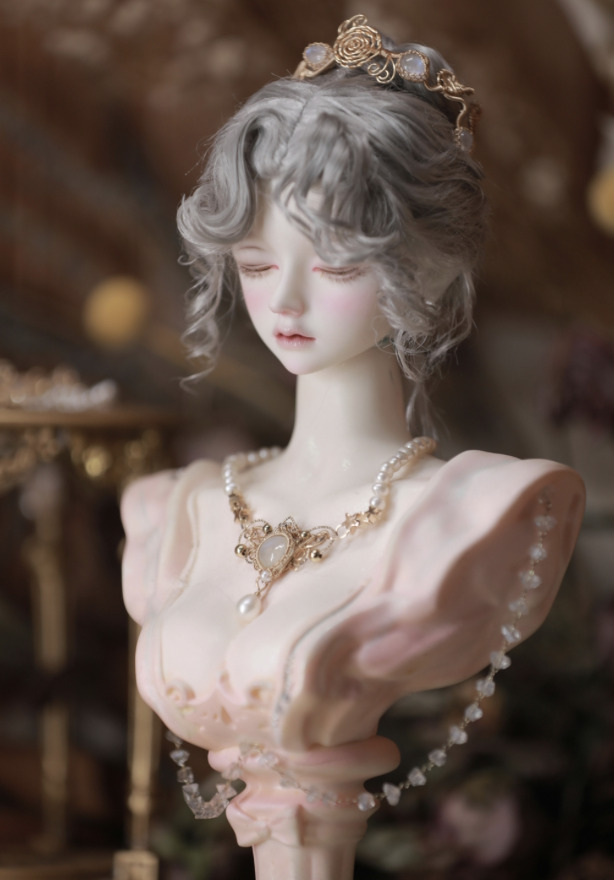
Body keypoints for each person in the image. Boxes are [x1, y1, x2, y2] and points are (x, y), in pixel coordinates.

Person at [121, 16, 585, 880]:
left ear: (429, 266)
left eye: (335, 265)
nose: (284, 303)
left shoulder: (481, 513)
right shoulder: (175, 512)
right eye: (256, 264)